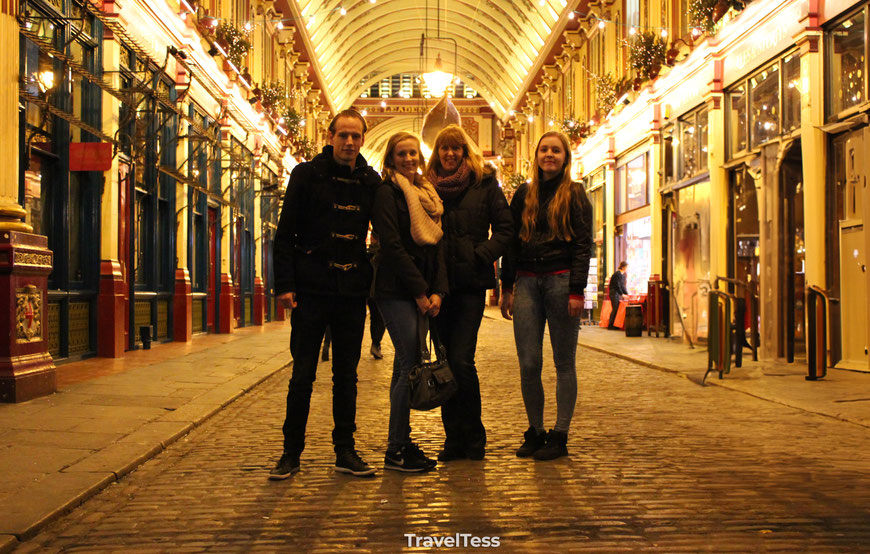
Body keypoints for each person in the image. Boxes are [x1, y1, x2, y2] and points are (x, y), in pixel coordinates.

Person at [269, 109, 381, 479]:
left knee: (346, 376)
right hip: (312, 289)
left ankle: (345, 451)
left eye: (355, 136)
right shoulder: (306, 175)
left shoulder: (370, 181)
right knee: (302, 374)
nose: (349, 142)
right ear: (330, 136)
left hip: (351, 292)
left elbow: (388, 231)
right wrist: (285, 284)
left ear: (362, 140)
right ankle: (291, 453)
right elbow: (285, 234)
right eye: (343, 135)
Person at [500, 131, 593, 461]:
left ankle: (560, 434)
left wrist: (577, 290)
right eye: (544, 149)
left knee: (564, 362)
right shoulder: (523, 194)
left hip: (561, 282)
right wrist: (506, 287)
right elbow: (511, 244)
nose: (549, 154)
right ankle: (536, 431)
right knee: (529, 363)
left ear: (565, 157)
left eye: (556, 150)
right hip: (526, 283)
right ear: (536, 155)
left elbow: (583, 245)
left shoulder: (576, 194)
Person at [426, 125, 513, 462]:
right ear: (437, 153)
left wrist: (481, 255)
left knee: (462, 360)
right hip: (438, 288)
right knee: (446, 362)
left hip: (469, 286)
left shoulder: (484, 183)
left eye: (456, 148)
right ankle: (453, 439)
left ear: (465, 151)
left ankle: (474, 437)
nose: (450, 154)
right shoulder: (427, 186)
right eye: (444, 148)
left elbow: (506, 229)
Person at [371, 131, 448, 472]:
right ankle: (396, 448)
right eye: (401, 154)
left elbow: (437, 246)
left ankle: (400, 443)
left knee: (405, 365)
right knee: (410, 363)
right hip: (394, 289)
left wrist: (438, 291)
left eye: (413, 153)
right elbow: (392, 246)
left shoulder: (427, 195)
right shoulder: (387, 193)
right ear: (391, 158)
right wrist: (419, 293)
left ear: (420, 157)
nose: (408, 159)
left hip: (422, 290)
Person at [366, 234, 386, 359]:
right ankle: (376, 343)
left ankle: (376, 343)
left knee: (374, 318)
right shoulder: (382, 253)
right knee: (380, 319)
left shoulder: (368, 254)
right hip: (379, 291)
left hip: (370, 292)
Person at [607, 261, 629, 330]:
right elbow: (617, 285)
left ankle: (614, 324)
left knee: (616, 308)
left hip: (616, 293)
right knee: (615, 308)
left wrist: (626, 293)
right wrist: (622, 294)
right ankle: (610, 325)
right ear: (623, 267)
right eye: (626, 267)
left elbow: (622, 285)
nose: (627, 269)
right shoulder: (617, 274)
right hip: (614, 292)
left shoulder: (622, 275)